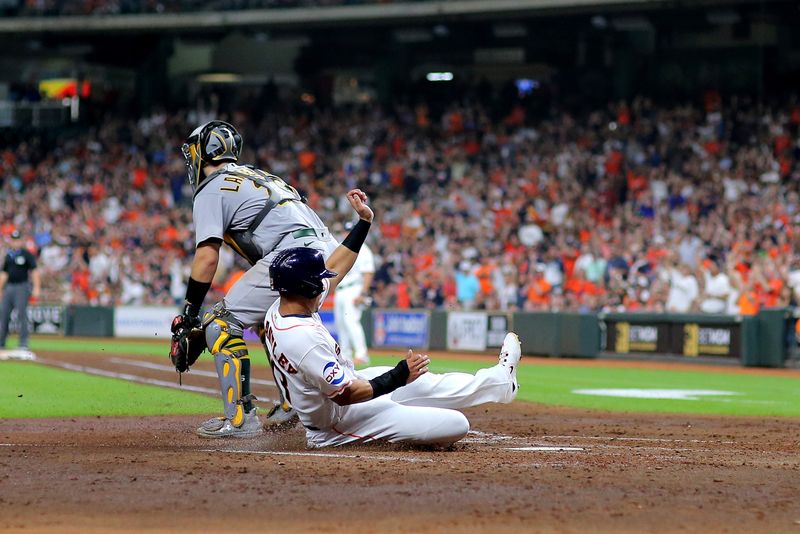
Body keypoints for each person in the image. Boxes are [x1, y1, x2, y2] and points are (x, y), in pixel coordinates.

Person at [264, 192, 521, 448]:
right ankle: (393, 427)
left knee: (423, 380)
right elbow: (346, 395)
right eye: (318, 279)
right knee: (456, 424)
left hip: (348, 386)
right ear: (307, 287)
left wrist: (364, 222)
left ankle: (499, 382)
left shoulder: (282, 305)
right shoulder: (303, 339)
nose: (324, 282)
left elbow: (337, 266)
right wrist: (398, 376)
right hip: (339, 423)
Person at [170, 120, 341, 438]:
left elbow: (207, 257)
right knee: (269, 320)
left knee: (221, 323)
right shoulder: (259, 176)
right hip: (327, 252)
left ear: (205, 151)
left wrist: (191, 316)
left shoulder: (211, 186)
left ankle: (240, 420)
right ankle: (293, 403)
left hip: (294, 250)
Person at [333, 221, 375, 366]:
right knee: (341, 323)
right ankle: (345, 355)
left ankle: (361, 354)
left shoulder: (363, 249)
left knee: (351, 322)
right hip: (340, 290)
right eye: (345, 231)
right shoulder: (341, 248)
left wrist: (363, 293)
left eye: (349, 232)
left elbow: (368, 272)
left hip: (354, 289)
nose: (347, 234)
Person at [0, 230, 40, 351]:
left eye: (17, 240)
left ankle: (23, 343)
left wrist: (37, 287)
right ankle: (1, 342)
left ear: (21, 241)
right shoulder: (9, 255)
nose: (15, 242)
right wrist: (0, 288)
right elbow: (4, 273)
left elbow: (34, 271)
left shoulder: (26, 254)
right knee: (4, 315)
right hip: (9, 288)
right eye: (14, 240)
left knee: (22, 315)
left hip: (22, 287)